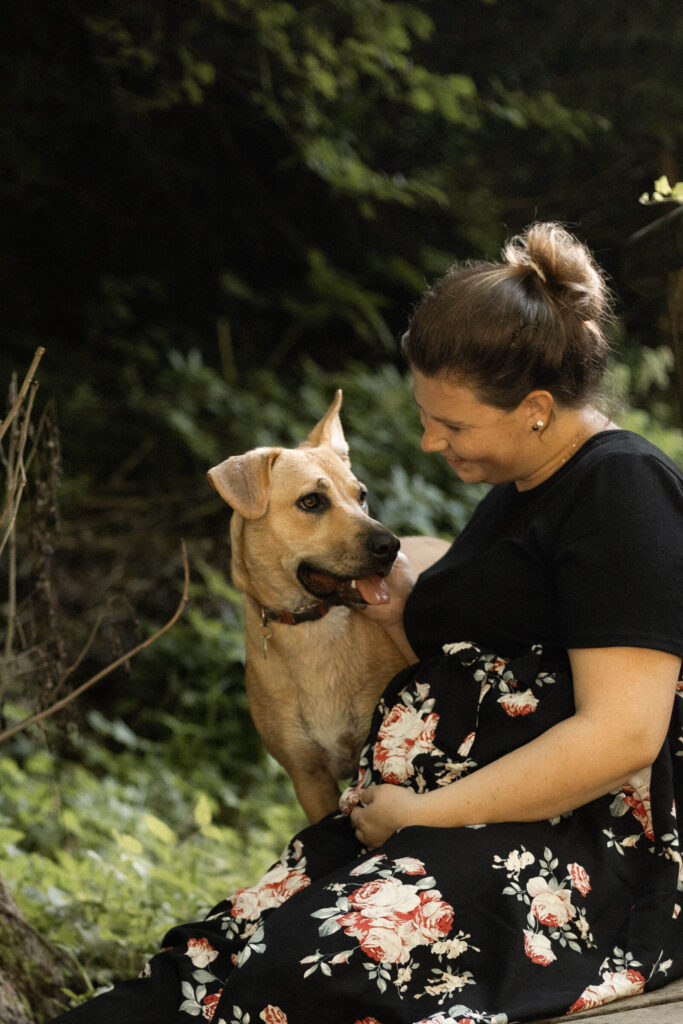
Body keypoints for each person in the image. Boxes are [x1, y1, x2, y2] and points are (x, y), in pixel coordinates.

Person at [49, 223, 683, 1024]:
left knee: (309, 974)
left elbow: (622, 737)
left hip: (569, 849)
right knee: (206, 964)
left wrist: (422, 814)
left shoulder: (623, 488)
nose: (428, 441)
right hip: (442, 824)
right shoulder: (520, 491)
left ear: (533, 408)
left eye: (451, 426)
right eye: (426, 416)